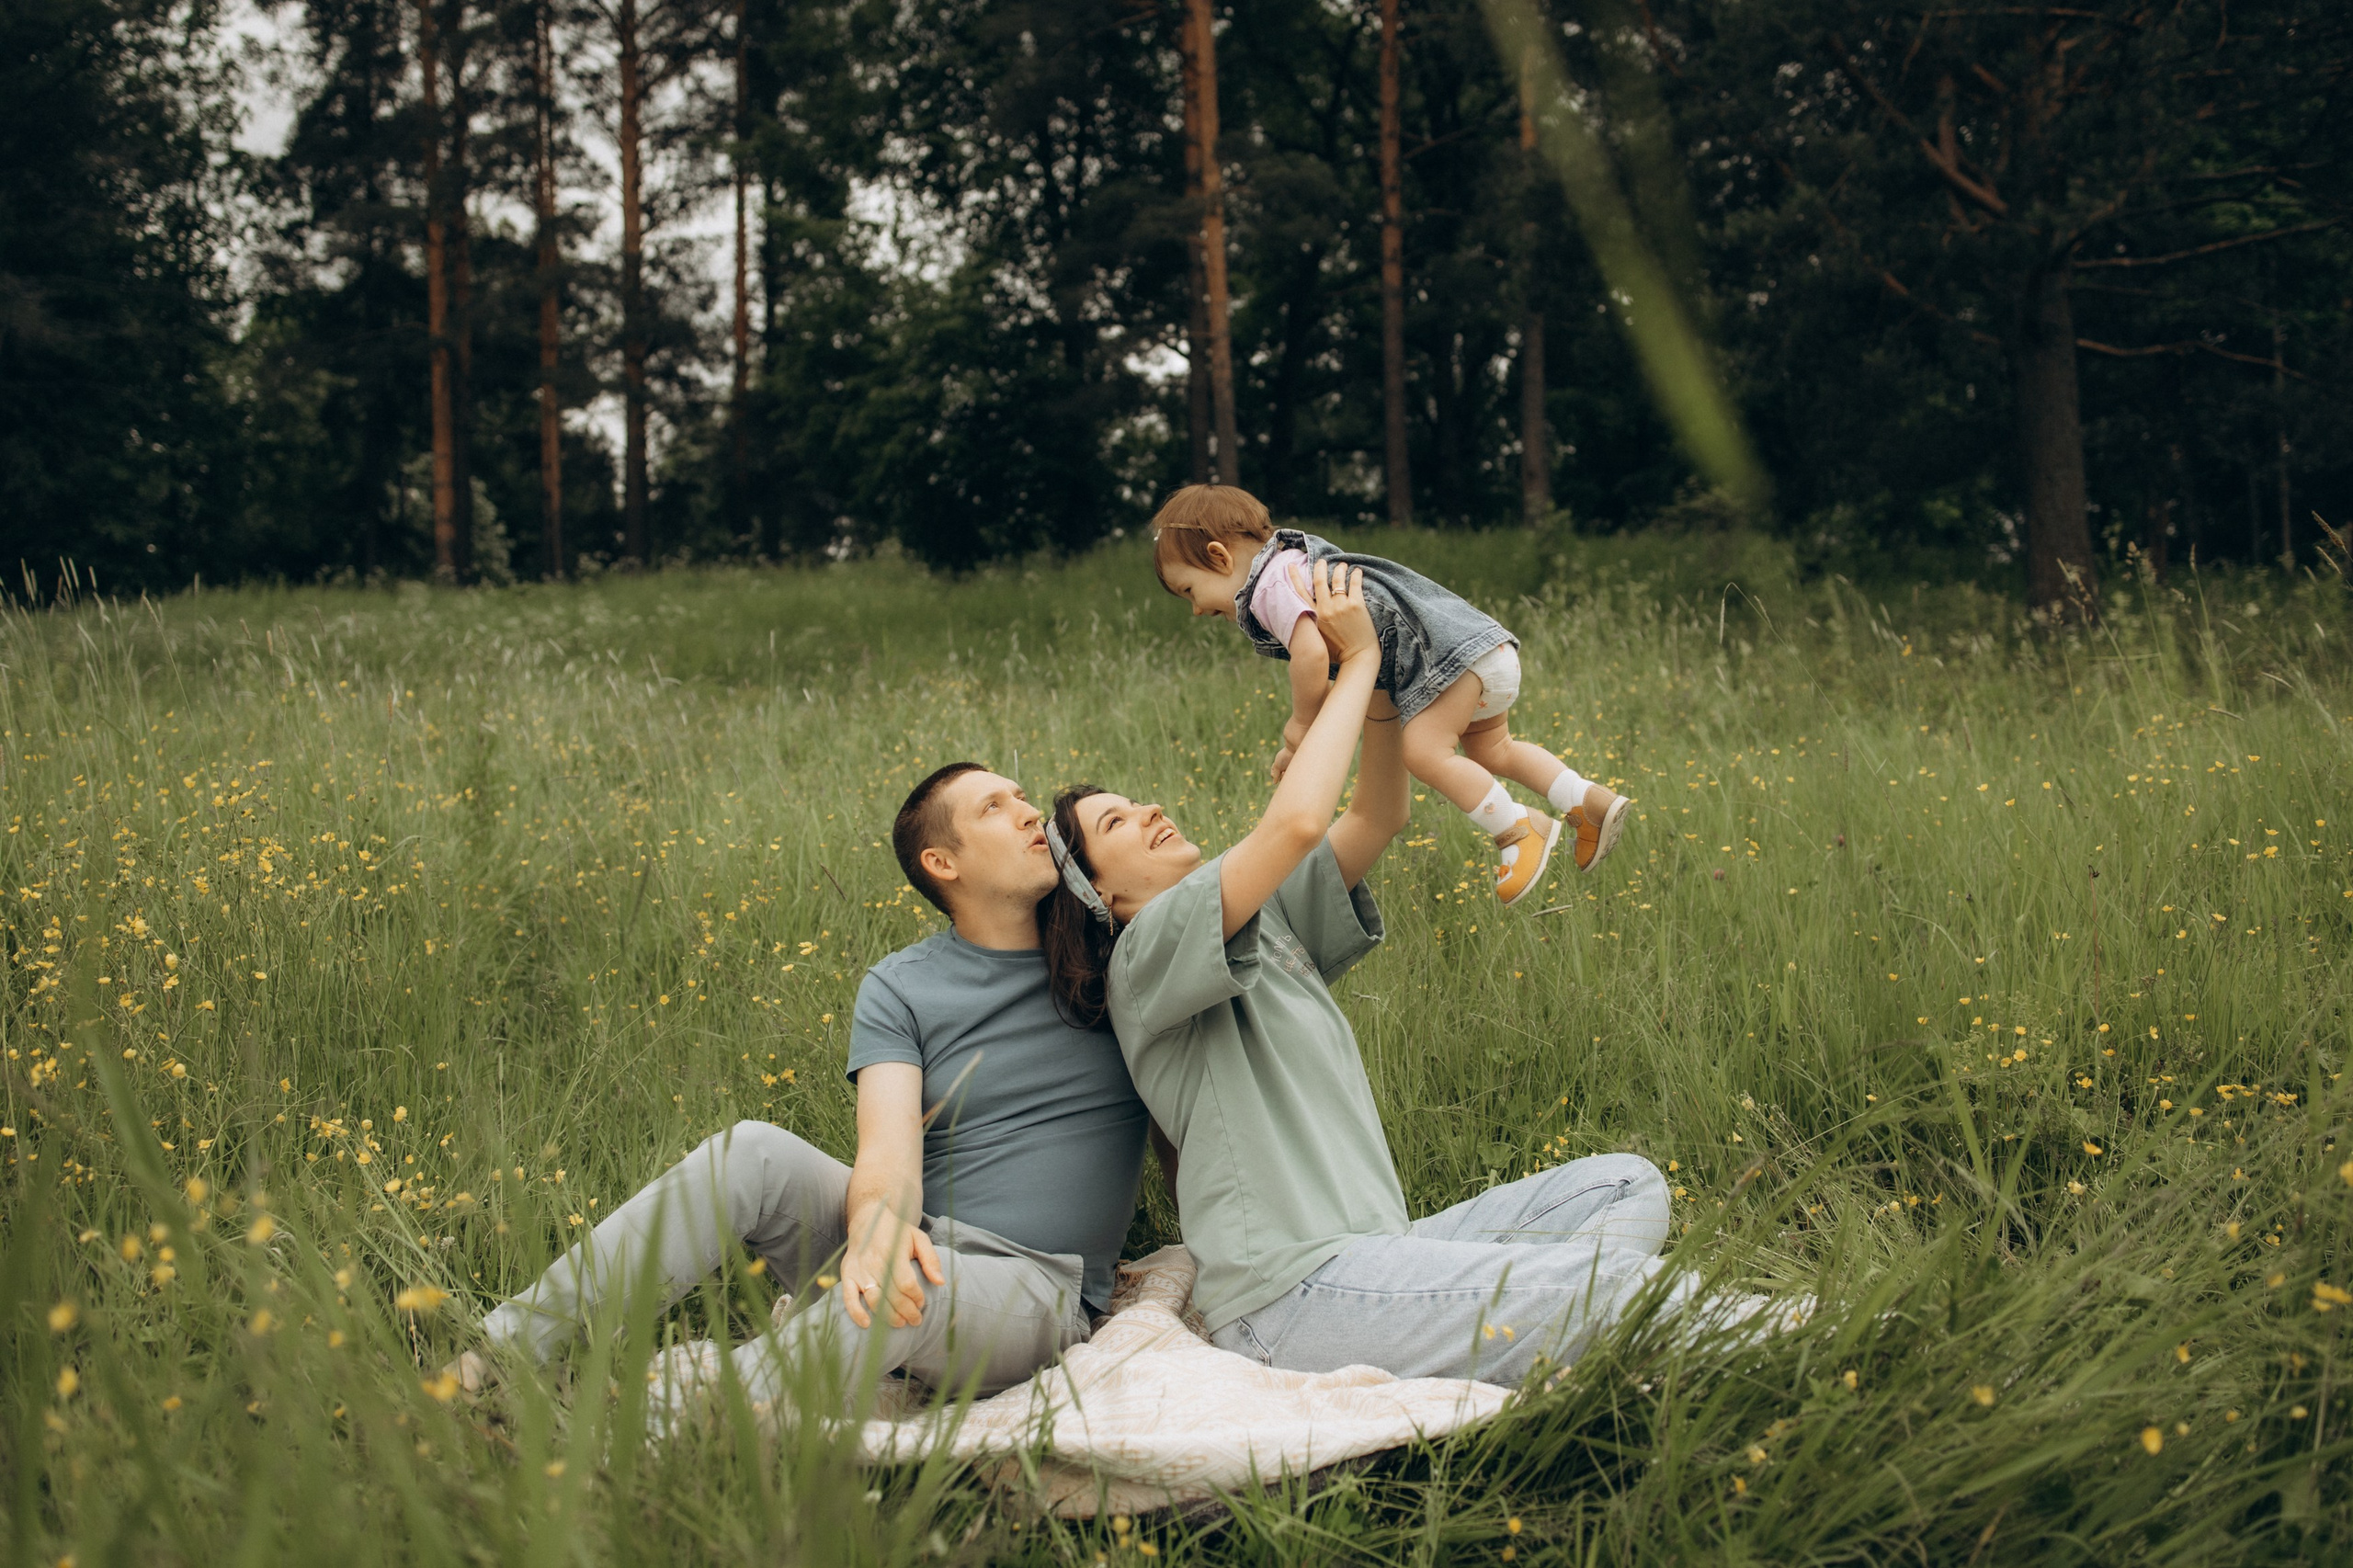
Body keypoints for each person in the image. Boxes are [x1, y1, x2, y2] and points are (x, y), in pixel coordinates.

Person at [1039, 559, 1687, 1385]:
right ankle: (1830, 1335)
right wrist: (1362, 667)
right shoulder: (1146, 952)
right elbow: (1300, 819)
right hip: (1292, 1298)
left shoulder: (1253, 915)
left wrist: (1377, 683)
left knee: (1622, 1185)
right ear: (1097, 892)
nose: (1153, 810)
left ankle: (1525, 1340)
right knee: (1608, 1288)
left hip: (1382, 1256)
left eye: (1138, 800)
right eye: (1117, 822)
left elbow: (1377, 813)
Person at [451, 763, 1172, 1415]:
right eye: (994, 806)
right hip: (917, 1241)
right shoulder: (902, 985)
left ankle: (669, 1435)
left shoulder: (1107, 958)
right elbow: (886, 1153)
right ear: (941, 862)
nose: (1025, 813)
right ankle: (497, 1359)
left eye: (1022, 798)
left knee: (908, 1290)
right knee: (752, 1151)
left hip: (1033, 1288)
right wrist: (878, 1234)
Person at [1149, 483, 1630, 907]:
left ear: (1219, 556)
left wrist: (1299, 729)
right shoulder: (1301, 560)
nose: (1195, 609)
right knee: (1493, 749)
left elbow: (1312, 657)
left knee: (1424, 752)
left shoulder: (1268, 585)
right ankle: (1585, 799)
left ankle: (1518, 829)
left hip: (1444, 661)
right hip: (1484, 648)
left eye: (1190, 591)